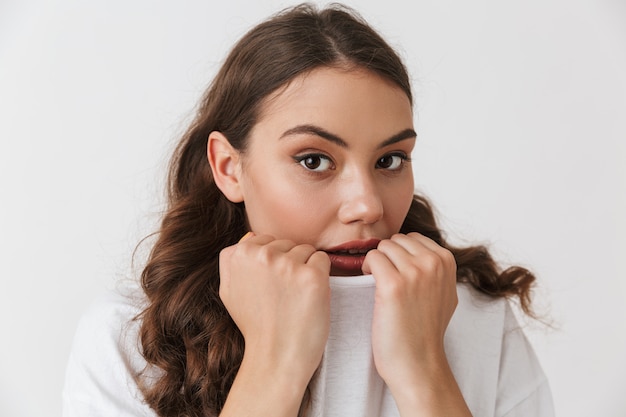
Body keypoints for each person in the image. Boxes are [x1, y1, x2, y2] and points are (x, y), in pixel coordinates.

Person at [62, 3, 554, 417]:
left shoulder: (478, 320)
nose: (366, 204)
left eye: (390, 160)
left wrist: (425, 374)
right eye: (314, 160)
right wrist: (275, 367)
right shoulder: (130, 339)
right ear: (230, 167)